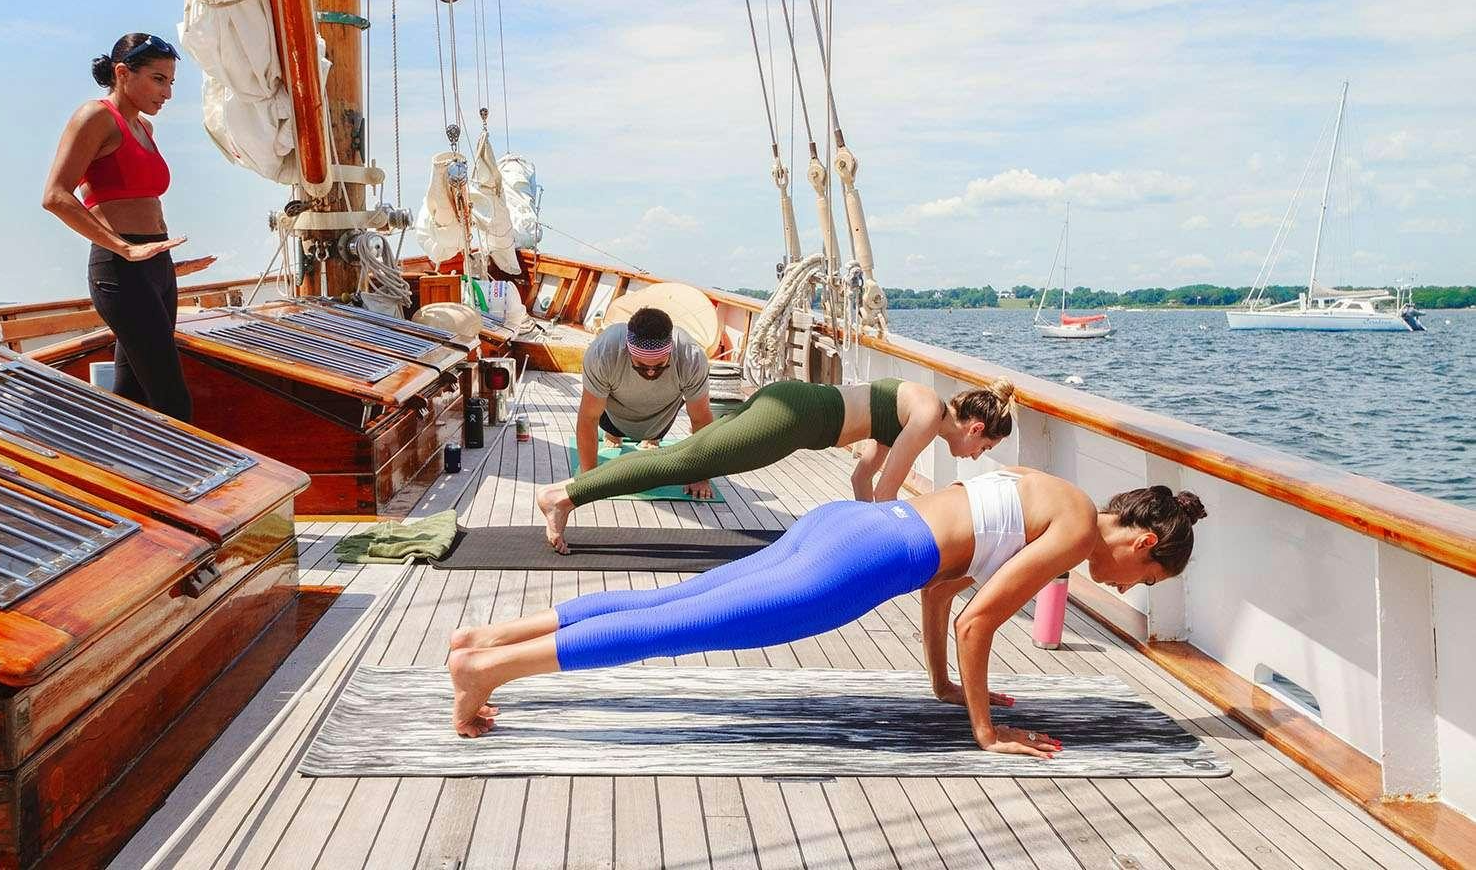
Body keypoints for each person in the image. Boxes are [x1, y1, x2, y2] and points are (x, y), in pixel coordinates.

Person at [452, 468, 1205, 754]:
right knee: (685, 624)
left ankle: (491, 636)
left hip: (849, 524)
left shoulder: (1056, 492)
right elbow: (981, 620)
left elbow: (947, 590)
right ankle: (488, 672)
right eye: (1143, 578)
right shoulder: (1073, 534)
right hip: (861, 562)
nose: (1127, 589)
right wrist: (985, 730)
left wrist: (943, 686)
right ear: (1142, 542)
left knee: (681, 599)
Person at [536, 374, 1017, 554]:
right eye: (985, 448)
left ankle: (567, 494)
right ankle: (564, 496)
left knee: (679, 457)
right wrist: (913, 550)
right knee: (677, 464)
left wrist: (867, 536)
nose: (977, 456)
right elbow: (890, 499)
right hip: (790, 420)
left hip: (789, 403)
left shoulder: (919, 405)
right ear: (976, 429)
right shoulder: (928, 414)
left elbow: (863, 478)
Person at [40, 33, 214, 421]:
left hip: (154, 266)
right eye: (158, 79)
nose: (167, 93)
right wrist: (125, 248)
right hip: (120, 270)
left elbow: (142, 205)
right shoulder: (95, 117)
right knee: (172, 401)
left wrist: (163, 259)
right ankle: (179, 481)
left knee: (131, 394)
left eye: (171, 82)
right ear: (122, 73)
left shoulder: (145, 130)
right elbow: (55, 195)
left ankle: (120, 476)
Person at [569, 307, 715, 512]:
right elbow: (589, 417)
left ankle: (651, 438)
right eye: (640, 366)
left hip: (660, 420)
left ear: (670, 351)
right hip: (613, 414)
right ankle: (614, 434)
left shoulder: (691, 357)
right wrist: (589, 479)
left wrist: (700, 477)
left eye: (659, 366)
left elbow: (701, 420)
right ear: (628, 351)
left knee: (652, 438)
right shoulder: (604, 352)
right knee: (609, 430)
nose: (650, 372)